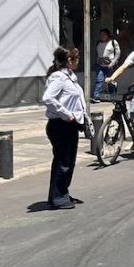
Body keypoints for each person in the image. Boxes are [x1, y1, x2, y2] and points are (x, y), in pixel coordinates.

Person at [42, 47, 85, 210]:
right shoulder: (59, 77)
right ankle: (58, 198)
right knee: (63, 162)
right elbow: (47, 98)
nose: (78, 61)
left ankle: (60, 193)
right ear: (69, 60)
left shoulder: (69, 77)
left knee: (66, 161)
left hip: (69, 125)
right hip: (61, 125)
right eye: (76, 58)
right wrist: (66, 114)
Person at [92, 28, 120, 102]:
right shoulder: (99, 43)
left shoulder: (113, 42)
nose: (102, 36)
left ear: (108, 35)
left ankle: (112, 96)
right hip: (100, 65)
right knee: (99, 79)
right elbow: (97, 54)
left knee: (110, 81)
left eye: (104, 34)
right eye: (101, 35)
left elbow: (118, 54)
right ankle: (96, 96)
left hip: (110, 65)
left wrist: (113, 63)